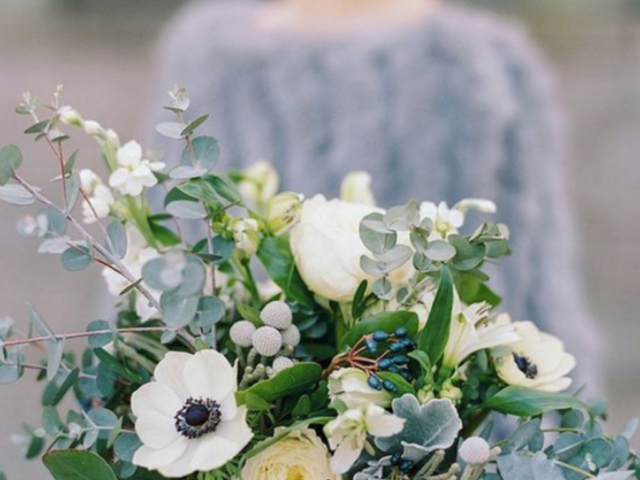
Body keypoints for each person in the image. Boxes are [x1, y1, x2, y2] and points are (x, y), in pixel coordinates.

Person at [147, 0, 601, 393]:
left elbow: (539, 296)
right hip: (238, 414)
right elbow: (164, 265)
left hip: (461, 420)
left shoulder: (491, 63)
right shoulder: (206, 56)